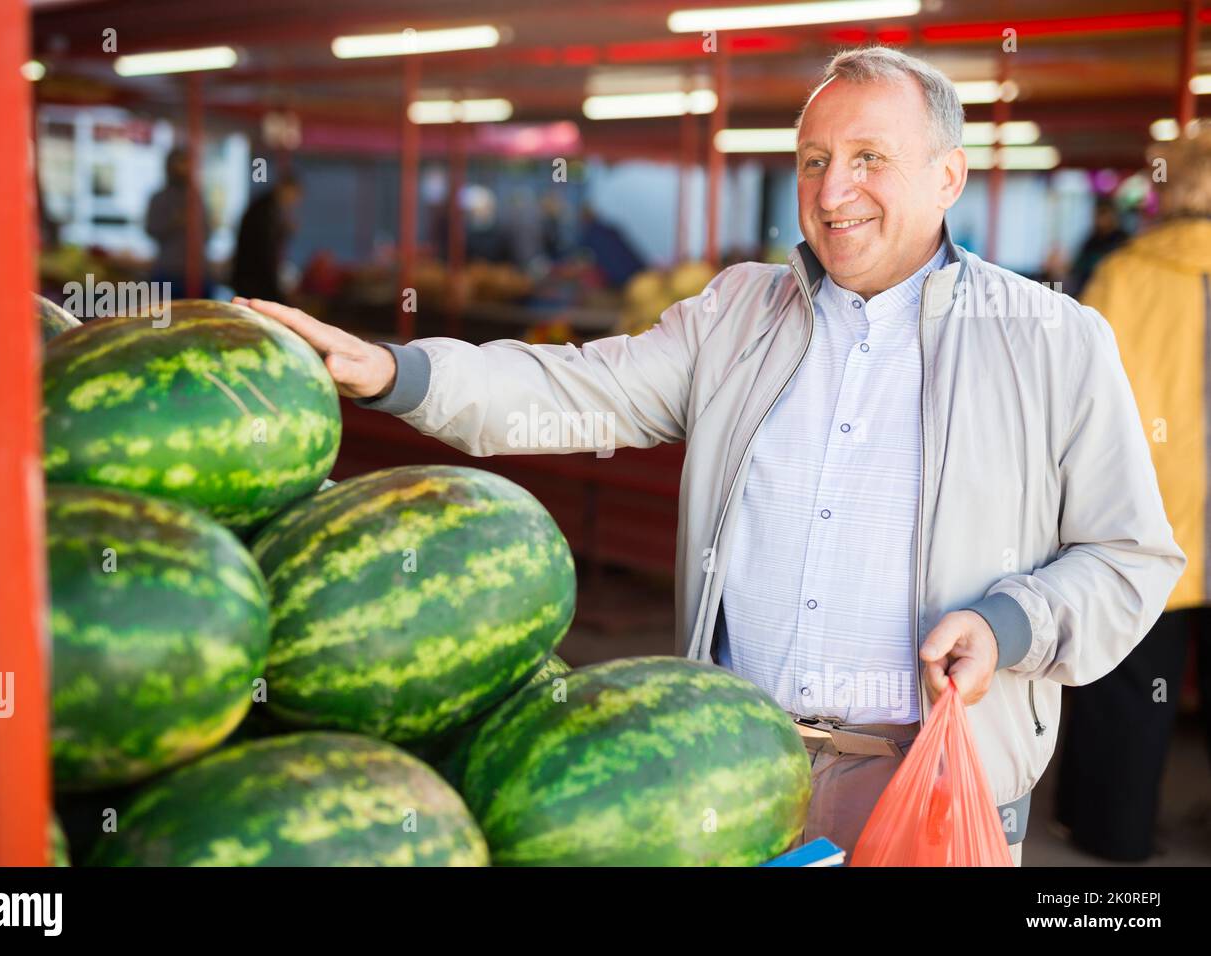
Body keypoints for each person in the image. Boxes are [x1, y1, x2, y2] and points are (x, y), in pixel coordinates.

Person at [236, 46, 1184, 865]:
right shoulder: (738, 313)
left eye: (868, 158)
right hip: (726, 769)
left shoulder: (1052, 339)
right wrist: (395, 372)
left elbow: (1131, 557)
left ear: (948, 175)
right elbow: (582, 390)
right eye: (813, 161)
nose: (832, 190)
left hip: (931, 780)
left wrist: (1009, 626)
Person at [1055, 123, 1211, 861]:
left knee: (1127, 690)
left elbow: (1085, 408)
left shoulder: (1124, 274)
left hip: (1152, 526)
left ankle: (1110, 837)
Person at [145, 147, 209, 297]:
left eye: (185, 163)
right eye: (178, 163)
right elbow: (151, 228)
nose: (182, 168)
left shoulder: (196, 197)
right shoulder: (160, 198)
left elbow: (206, 232)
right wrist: (175, 222)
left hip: (196, 271)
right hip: (168, 269)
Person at [230, 173, 303, 302]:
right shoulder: (266, 210)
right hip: (254, 279)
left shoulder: (266, 207)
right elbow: (265, 249)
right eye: (294, 196)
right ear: (286, 189)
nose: (293, 202)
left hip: (251, 277)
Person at [1066, 195, 1129, 297]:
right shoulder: (1090, 241)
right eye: (1096, 215)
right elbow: (1077, 269)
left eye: (1103, 214)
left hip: (1115, 293)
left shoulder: (1123, 242)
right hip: (1088, 293)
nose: (1099, 220)